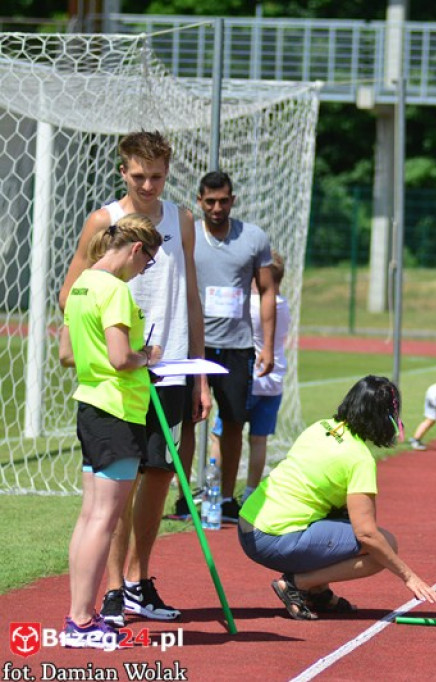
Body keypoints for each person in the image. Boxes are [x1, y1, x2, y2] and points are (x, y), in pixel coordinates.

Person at [58, 130, 209, 629]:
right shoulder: (104, 219)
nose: (148, 185)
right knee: (120, 483)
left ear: (168, 173)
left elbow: (189, 292)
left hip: (171, 366)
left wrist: (199, 370)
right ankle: (113, 589)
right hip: (123, 370)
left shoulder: (183, 219)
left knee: (160, 473)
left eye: (157, 176)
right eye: (138, 175)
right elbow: (75, 288)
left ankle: (140, 579)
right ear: (122, 171)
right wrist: (94, 343)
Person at [237, 375, 436, 619]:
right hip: (271, 537)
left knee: (342, 515)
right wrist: (409, 576)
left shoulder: (321, 426)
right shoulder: (359, 458)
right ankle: (298, 584)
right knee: (383, 546)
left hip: (248, 523)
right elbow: (367, 534)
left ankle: (318, 592)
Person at [60, 214, 165, 648]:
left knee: (90, 518)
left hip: (91, 406)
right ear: (137, 250)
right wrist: (149, 356)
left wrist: (106, 359)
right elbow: (122, 357)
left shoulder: (82, 284)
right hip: (117, 409)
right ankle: (81, 621)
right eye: (149, 263)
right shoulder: (116, 290)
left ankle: (78, 617)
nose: (144, 271)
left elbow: (66, 354)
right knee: (102, 520)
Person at [175, 170, 276, 525]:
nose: (217, 207)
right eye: (210, 201)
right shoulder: (189, 235)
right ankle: (185, 496)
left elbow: (267, 292)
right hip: (195, 346)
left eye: (224, 200)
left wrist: (266, 346)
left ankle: (228, 498)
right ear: (199, 201)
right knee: (189, 420)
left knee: (234, 422)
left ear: (233, 200)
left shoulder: (253, 238)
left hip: (238, 347)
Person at [209, 251, 291, 504]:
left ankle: (217, 490)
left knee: (221, 435)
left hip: (248, 377)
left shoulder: (254, 305)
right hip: (273, 381)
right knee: (258, 440)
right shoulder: (284, 305)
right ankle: (251, 492)